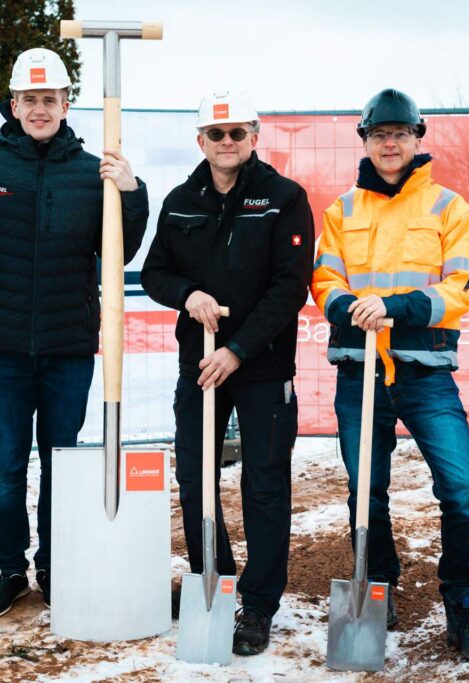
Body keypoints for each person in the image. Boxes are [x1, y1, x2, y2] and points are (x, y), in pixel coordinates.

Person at [0, 47, 149, 620]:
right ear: (13, 104)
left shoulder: (92, 172)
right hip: (3, 349)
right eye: (30, 99)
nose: (40, 109)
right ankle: (12, 571)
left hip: (69, 348)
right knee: (8, 462)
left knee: (60, 463)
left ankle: (57, 568)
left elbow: (122, 252)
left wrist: (132, 191)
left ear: (66, 105)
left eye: (51, 99)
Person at [310, 88, 469, 662]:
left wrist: (392, 306)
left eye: (399, 133)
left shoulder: (450, 208)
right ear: (365, 142)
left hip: (424, 376)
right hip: (360, 374)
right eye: (378, 134)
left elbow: (459, 288)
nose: (389, 143)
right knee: (365, 492)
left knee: (462, 490)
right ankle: (379, 587)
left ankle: (462, 611)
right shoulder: (342, 211)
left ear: (418, 139)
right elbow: (325, 282)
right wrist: (351, 308)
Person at [141, 90, 314, 655]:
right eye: (216, 135)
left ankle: (259, 603)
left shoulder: (284, 198)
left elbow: (290, 288)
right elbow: (154, 273)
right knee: (195, 478)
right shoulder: (180, 200)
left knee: (263, 483)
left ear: (255, 137)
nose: (227, 143)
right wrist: (187, 294)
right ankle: (213, 578)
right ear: (201, 142)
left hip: (261, 367)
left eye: (238, 133)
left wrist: (236, 349)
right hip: (199, 367)